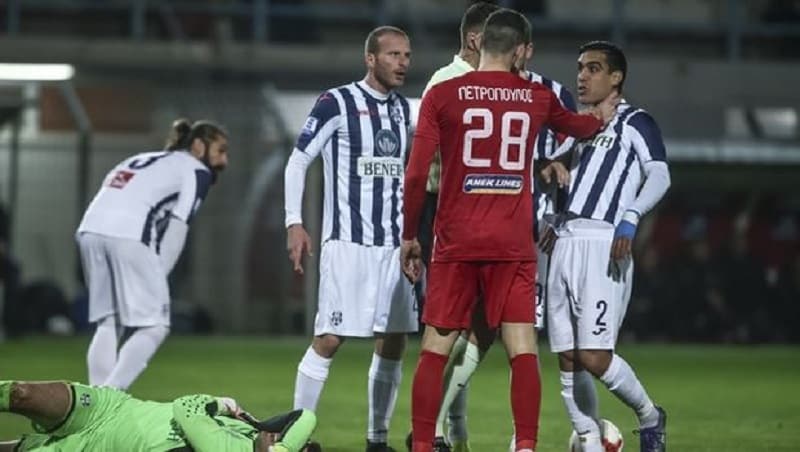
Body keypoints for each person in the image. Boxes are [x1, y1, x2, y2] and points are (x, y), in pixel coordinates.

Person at [401, 10, 613, 452]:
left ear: (480, 44)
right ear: (519, 51)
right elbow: (576, 127)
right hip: (512, 244)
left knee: (434, 349)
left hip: (456, 240)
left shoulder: (442, 94)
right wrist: (599, 116)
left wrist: (409, 236)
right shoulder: (535, 96)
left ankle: (422, 445)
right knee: (522, 350)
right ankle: (526, 446)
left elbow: (417, 174)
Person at [283, 25, 417, 452]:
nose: (402, 63)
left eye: (406, 55)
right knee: (329, 338)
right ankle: (295, 438)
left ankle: (377, 439)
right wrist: (294, 222)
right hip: (348, 244)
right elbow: (298, 161)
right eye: (393, 54)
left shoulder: (404, 111)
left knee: (393, 340)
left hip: (393, 248)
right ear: (370, 59)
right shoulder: (336, 102)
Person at [544, 41, 670, 452]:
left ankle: (650, 417)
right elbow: (553, 175)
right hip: (564, 241)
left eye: (593, 68)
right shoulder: (578, 127)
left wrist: (631, 216)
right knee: (567, 357)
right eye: (580, 67)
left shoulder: (636, 121)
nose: (582, 76)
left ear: (616, 77)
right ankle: (590, 443)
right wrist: (553, 194)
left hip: (604, 243)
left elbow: (659, 174)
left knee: (594, 356)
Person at [76, 119, 229, 390]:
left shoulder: (142, 158)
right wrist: (159, 274)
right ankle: (111, 397)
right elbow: (178, 226)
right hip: (129, 234)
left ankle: (95, 399)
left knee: (109, 322)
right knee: (155, 325)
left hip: (89, 230)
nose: (224, 160)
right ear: (198, 146)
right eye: (220, 150)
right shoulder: (197, 170)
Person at [0, 380, 318, 452]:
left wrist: (220, 404)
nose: (278, 434)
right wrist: (266, 429)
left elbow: (187, 407)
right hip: (113, 407)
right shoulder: (252, 430)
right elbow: (304, 415)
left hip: (99, 446)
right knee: (21, 394)